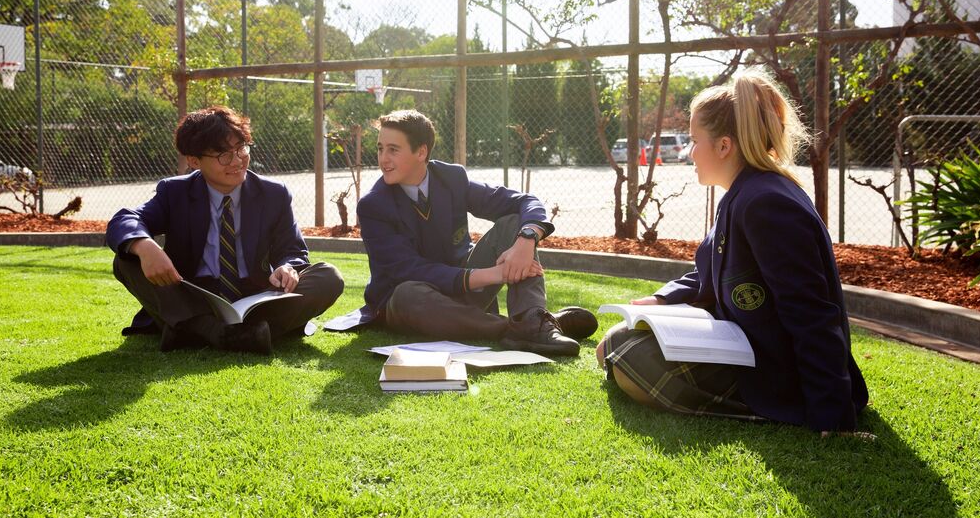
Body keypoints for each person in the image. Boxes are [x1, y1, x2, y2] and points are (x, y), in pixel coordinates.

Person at [597, 68, 869, 434]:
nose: (690, 152)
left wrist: (833, 416)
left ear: (724, 146)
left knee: (629, 361)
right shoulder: (741, 194)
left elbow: (811, 313)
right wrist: (662, 300)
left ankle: (774, 408)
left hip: (778, 371)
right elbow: (713, 268)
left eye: (695, 140)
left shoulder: (766, 203)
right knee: (614, 342)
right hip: (740, 342)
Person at [356, 110, 597, 356]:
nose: (383, 159)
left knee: (513, 222)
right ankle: (527, 326)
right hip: (412, 304)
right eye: (380, 149)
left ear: (421, 152)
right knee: (407, 294)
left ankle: (531, 315)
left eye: (393, 150)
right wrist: (493, 274)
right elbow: (409, 270)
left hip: (464, 290)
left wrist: (527, 238)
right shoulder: (373, 206)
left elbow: (523, 201)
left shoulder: (451, 179)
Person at [107, 106, 344, 354]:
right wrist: (145, 246)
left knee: (328, 276)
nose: (237, 160)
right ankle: (232, 333)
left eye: (241, 148)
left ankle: (196, 331)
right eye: (223, 155)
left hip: (257, 299)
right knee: (127, 258)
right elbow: (125, 219)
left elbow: (292, 250)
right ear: (194, 161)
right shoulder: (174, 192)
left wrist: (287, 267)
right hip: (191, 295)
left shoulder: (274, 194)